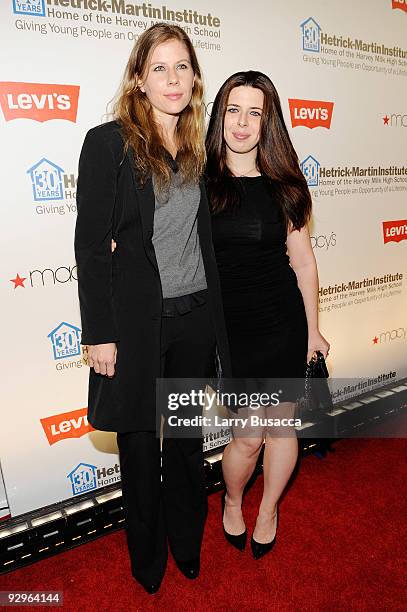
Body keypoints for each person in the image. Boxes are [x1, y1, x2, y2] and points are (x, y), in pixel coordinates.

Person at [74, 23, 230, 594]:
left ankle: (187, 543)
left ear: (194, 76)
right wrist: (100, 334)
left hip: (192, 318)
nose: (172, 78)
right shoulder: (108, 144)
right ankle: (148, 560)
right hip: (136, 327)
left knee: (187, 443)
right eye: (159, 68)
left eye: (182, 67)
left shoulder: (199, 150)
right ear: (140, 79)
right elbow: (91, 246)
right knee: (140, 451)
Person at [205, 71, 330, 559]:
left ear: (267, 121)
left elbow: (302, 262)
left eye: (254, 112)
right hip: (232, 333)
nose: (242, 122)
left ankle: (270, 508)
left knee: (282, 430)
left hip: (281, 323)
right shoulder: (200, 182)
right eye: (233, 109)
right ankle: (233, 499)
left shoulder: (284, 185)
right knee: (247, 437)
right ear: (220, 115)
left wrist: (313, 330)